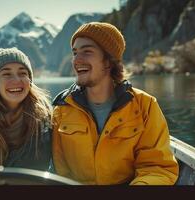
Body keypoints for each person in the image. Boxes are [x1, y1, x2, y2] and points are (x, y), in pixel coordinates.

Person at [51, 22, 179, 185]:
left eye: (87, 51)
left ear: (109, 61)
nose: (77, 60)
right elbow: (59, 172)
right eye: (75, 53)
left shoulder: (145, 105)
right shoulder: (61, 109)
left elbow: (158, 168)